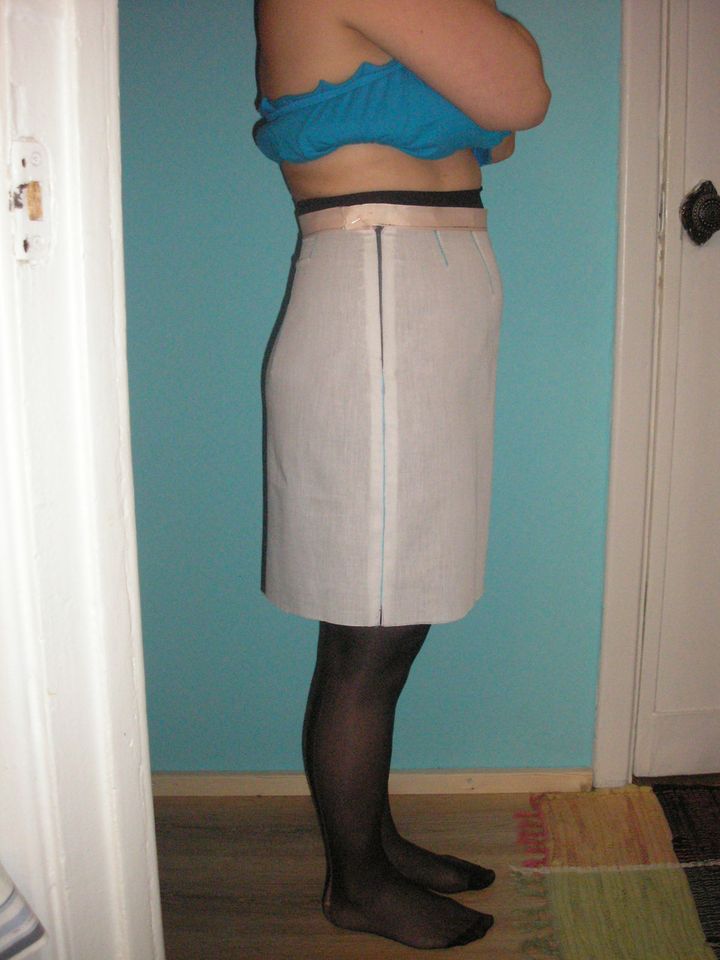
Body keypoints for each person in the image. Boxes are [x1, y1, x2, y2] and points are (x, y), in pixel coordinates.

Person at [253, 0, 550, 949]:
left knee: (394, 611)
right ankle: (357, 885)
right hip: (384, 292)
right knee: (370, 635)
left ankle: (375, 845)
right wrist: (464, 107)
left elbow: (500, 126)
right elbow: (516, 98)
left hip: (410, 288)